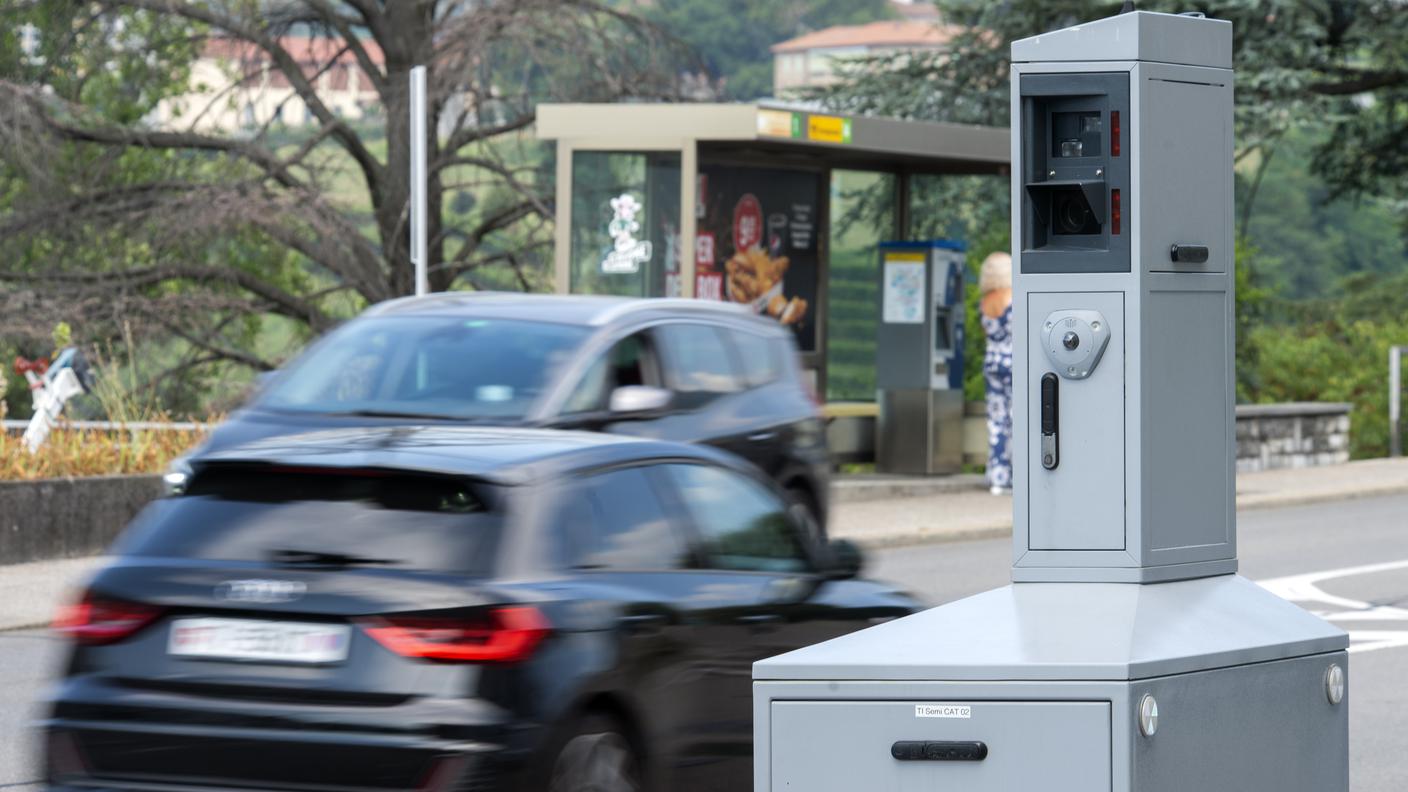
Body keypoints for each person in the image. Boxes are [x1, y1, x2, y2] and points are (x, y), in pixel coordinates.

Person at [979, 252, 1013, 495]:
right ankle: (1014, 473)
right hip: (1013, 362)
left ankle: (996, 476)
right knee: (1016, 418)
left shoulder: (985, 302)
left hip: (992, 362)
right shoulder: (1013, 297)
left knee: (997, 420)